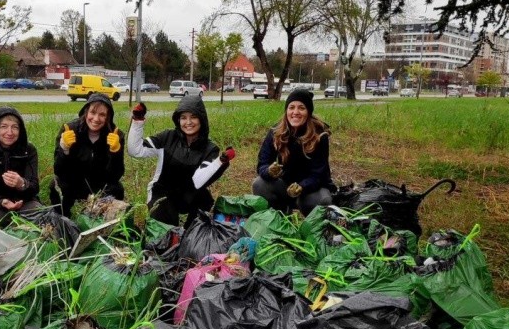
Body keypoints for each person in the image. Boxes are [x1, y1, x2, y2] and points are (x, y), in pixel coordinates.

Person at [127, 95, 235, 226]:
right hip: (162, 193)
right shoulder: (167, 137)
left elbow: (198, 180)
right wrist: (138, 120)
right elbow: (135, 150)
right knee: (166, 231)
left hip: (190, 194)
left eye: (193, 117)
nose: (188, 122)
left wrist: (221, 161)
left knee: (202, 209)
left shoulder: (210, 149)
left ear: (202, 119)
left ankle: (190, 232)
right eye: (183, 118)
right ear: (178, 120)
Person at [252, 89, 334, 215]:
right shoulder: (276, 132)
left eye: (301, 108)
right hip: (285, 186)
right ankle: (281, 216)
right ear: (286, 111)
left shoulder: (320, 135)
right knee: (259, 184)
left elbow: (319, 174)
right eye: (291, 107)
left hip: (311, 189)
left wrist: (302, 186)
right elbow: (262, 164)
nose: (295, 112)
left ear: (308, 112)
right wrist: (269, 172)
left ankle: (311, 223)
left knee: (323, 200)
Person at [50, 93, 125, 218]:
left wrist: (115, 151)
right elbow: (59, 171)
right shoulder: (69, 130)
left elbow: (115, 176)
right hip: (75, 183)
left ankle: (104, 222)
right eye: (93, 112)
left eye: (102, 114)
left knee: (117, 189)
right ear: (86, 112)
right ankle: (63, 220)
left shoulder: (116, 135)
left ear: (108, 117)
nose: (96, 119)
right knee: (55, 184)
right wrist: (64, 149)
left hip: (100, 186)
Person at [0, 106, 42, 225]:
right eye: (4, 127)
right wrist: (2, 201)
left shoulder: (29, 150)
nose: (9, 132)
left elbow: (34, 187)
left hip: (24, 201)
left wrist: (22, 184)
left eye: (14, 127)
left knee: (39, 213)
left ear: (20, 130)